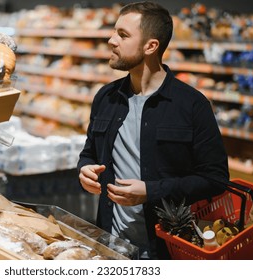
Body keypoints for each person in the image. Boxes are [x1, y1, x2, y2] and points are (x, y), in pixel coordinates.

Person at [77, 1, 229, 259]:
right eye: (115, 32)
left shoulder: (192, 105)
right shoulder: (106, 97)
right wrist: (84, 169)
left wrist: (151, 191)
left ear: (151, 46)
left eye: (123, 35)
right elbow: (89, 152)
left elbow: (215, 179)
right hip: (111, 245)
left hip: (167, 250)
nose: (111, 40)